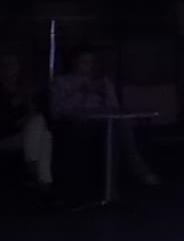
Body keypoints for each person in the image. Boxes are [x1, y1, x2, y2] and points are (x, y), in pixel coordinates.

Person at [51, 50, 154, 187]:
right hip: (75, 124)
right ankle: (137, 168)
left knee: (117, 127)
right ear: (74, 62)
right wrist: (82, 92)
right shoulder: (62, 82)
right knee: (115, 129)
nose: (88, 66)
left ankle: (112, 185)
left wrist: (103, 93)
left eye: (91, 62)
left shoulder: (102, 81)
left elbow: (114, 107)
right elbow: (58, 109)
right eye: (84, 62)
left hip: (101, 122)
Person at [1, 55, 53, 202]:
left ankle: (36, 171)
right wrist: (16, 114)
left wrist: (28, 112)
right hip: (6, 135)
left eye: (13, 65)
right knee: (41, 130)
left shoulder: (25, 90)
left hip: (27, 134)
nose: (9, 69)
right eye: (5, 65)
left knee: (43, 131)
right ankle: (42, 180)